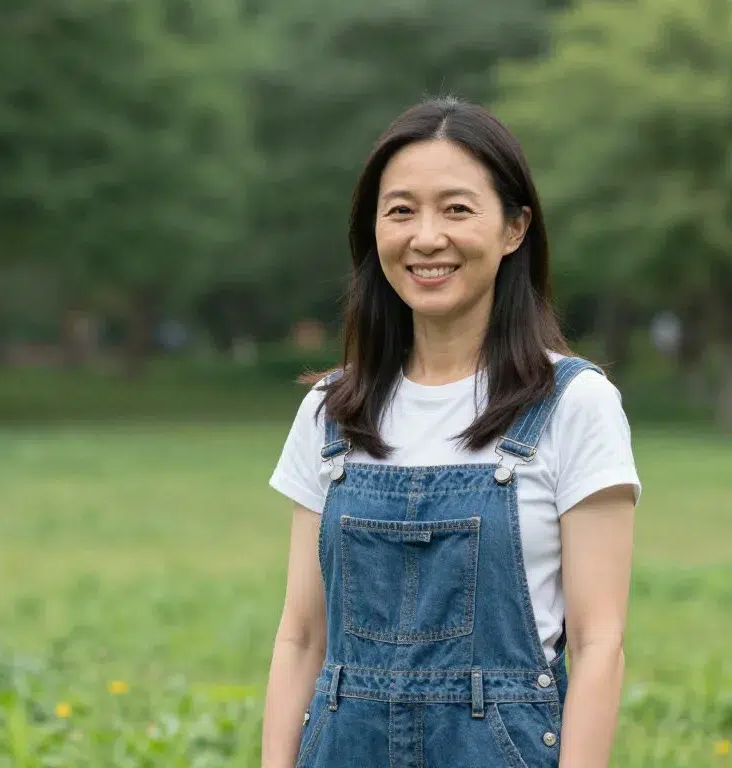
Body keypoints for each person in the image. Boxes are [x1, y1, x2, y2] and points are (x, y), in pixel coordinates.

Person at [260, 97, 641, 768]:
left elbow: (597, 641)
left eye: (457, 209)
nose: (426, 237)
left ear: (515, 228)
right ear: (371, 229)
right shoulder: (331, 410)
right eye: (401, 210)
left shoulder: (575, 404)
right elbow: (300, 636)